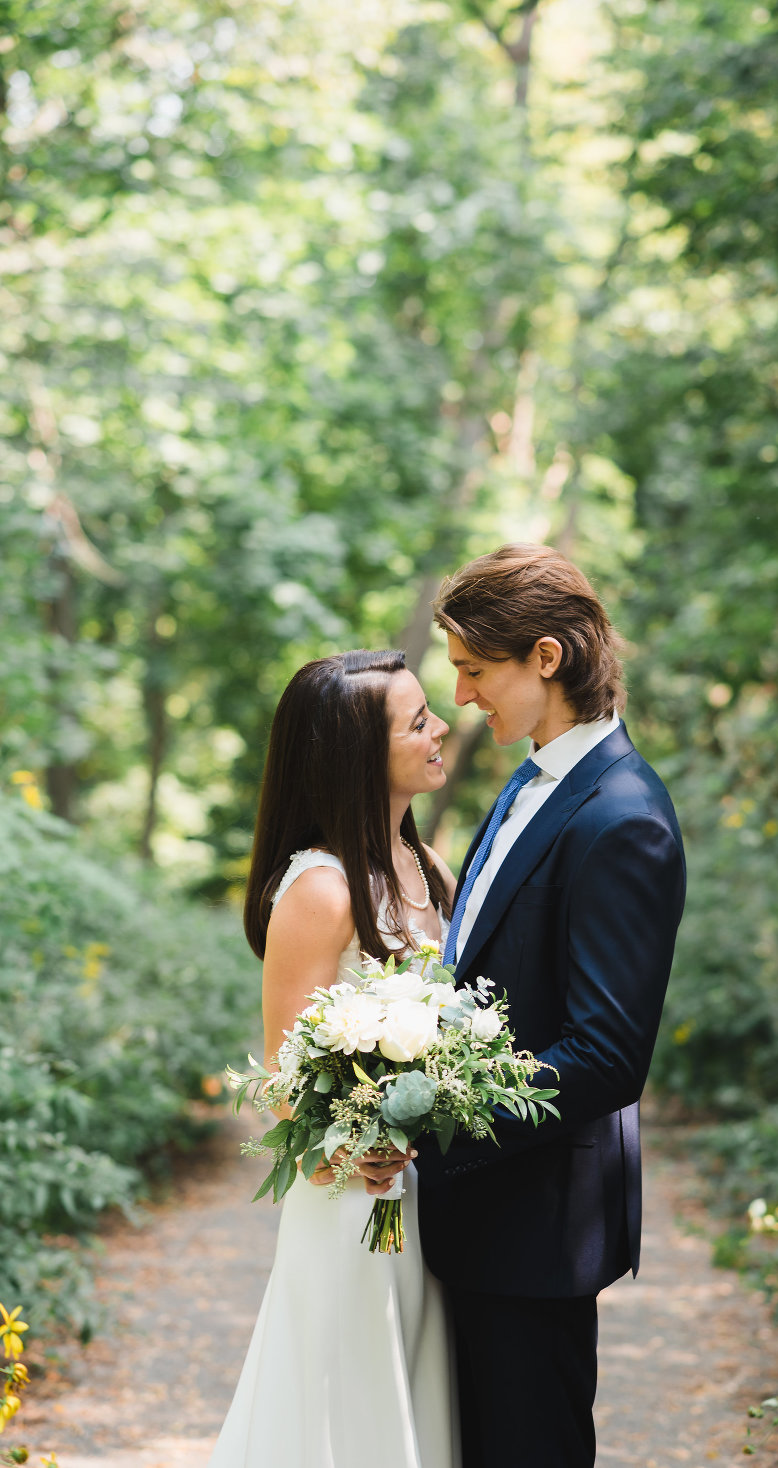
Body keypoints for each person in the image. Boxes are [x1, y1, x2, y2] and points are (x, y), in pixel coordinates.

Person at [415, 544, 686, 1468]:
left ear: (546, 657)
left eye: (473, 670)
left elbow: (608, 1054)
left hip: (539, 1224)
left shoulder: (624, 818)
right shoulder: (532, 782)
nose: (460, 696)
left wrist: (430, 1119)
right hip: (480, 1213)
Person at [209, 650, 459, 1468]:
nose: (442, 728)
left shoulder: (430, 867)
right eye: (417, 721)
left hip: (429, 1191)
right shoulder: (320, 892)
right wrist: (356, 1148)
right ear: (357, 756)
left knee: (414, 1394)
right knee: (349, 1409)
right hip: (357, 1195)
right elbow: (283, 1077)